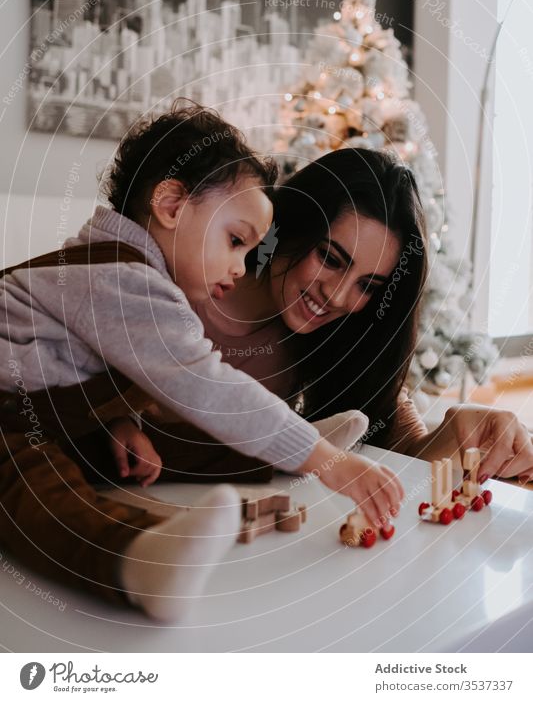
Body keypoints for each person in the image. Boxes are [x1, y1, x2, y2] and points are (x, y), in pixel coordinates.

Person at [0, 102, 403, 622]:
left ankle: (276, 451)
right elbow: (207, 386)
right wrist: (324, 459)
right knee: (29, 482)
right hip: (11, 425)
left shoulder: (126, 273)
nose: (240, 266)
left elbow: (63, 359)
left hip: (45, 414)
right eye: (236, 241)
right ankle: (129, 557)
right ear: (171, 205)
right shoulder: (125, 280)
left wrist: (121, 420)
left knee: (171, 435)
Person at [126, 146, 533, 483]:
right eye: (330, 258)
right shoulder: (176, 288)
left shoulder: (339, 339)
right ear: (290, 226)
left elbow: (406, 457)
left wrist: (460, 430)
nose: (337, 296)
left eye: (368, 286)